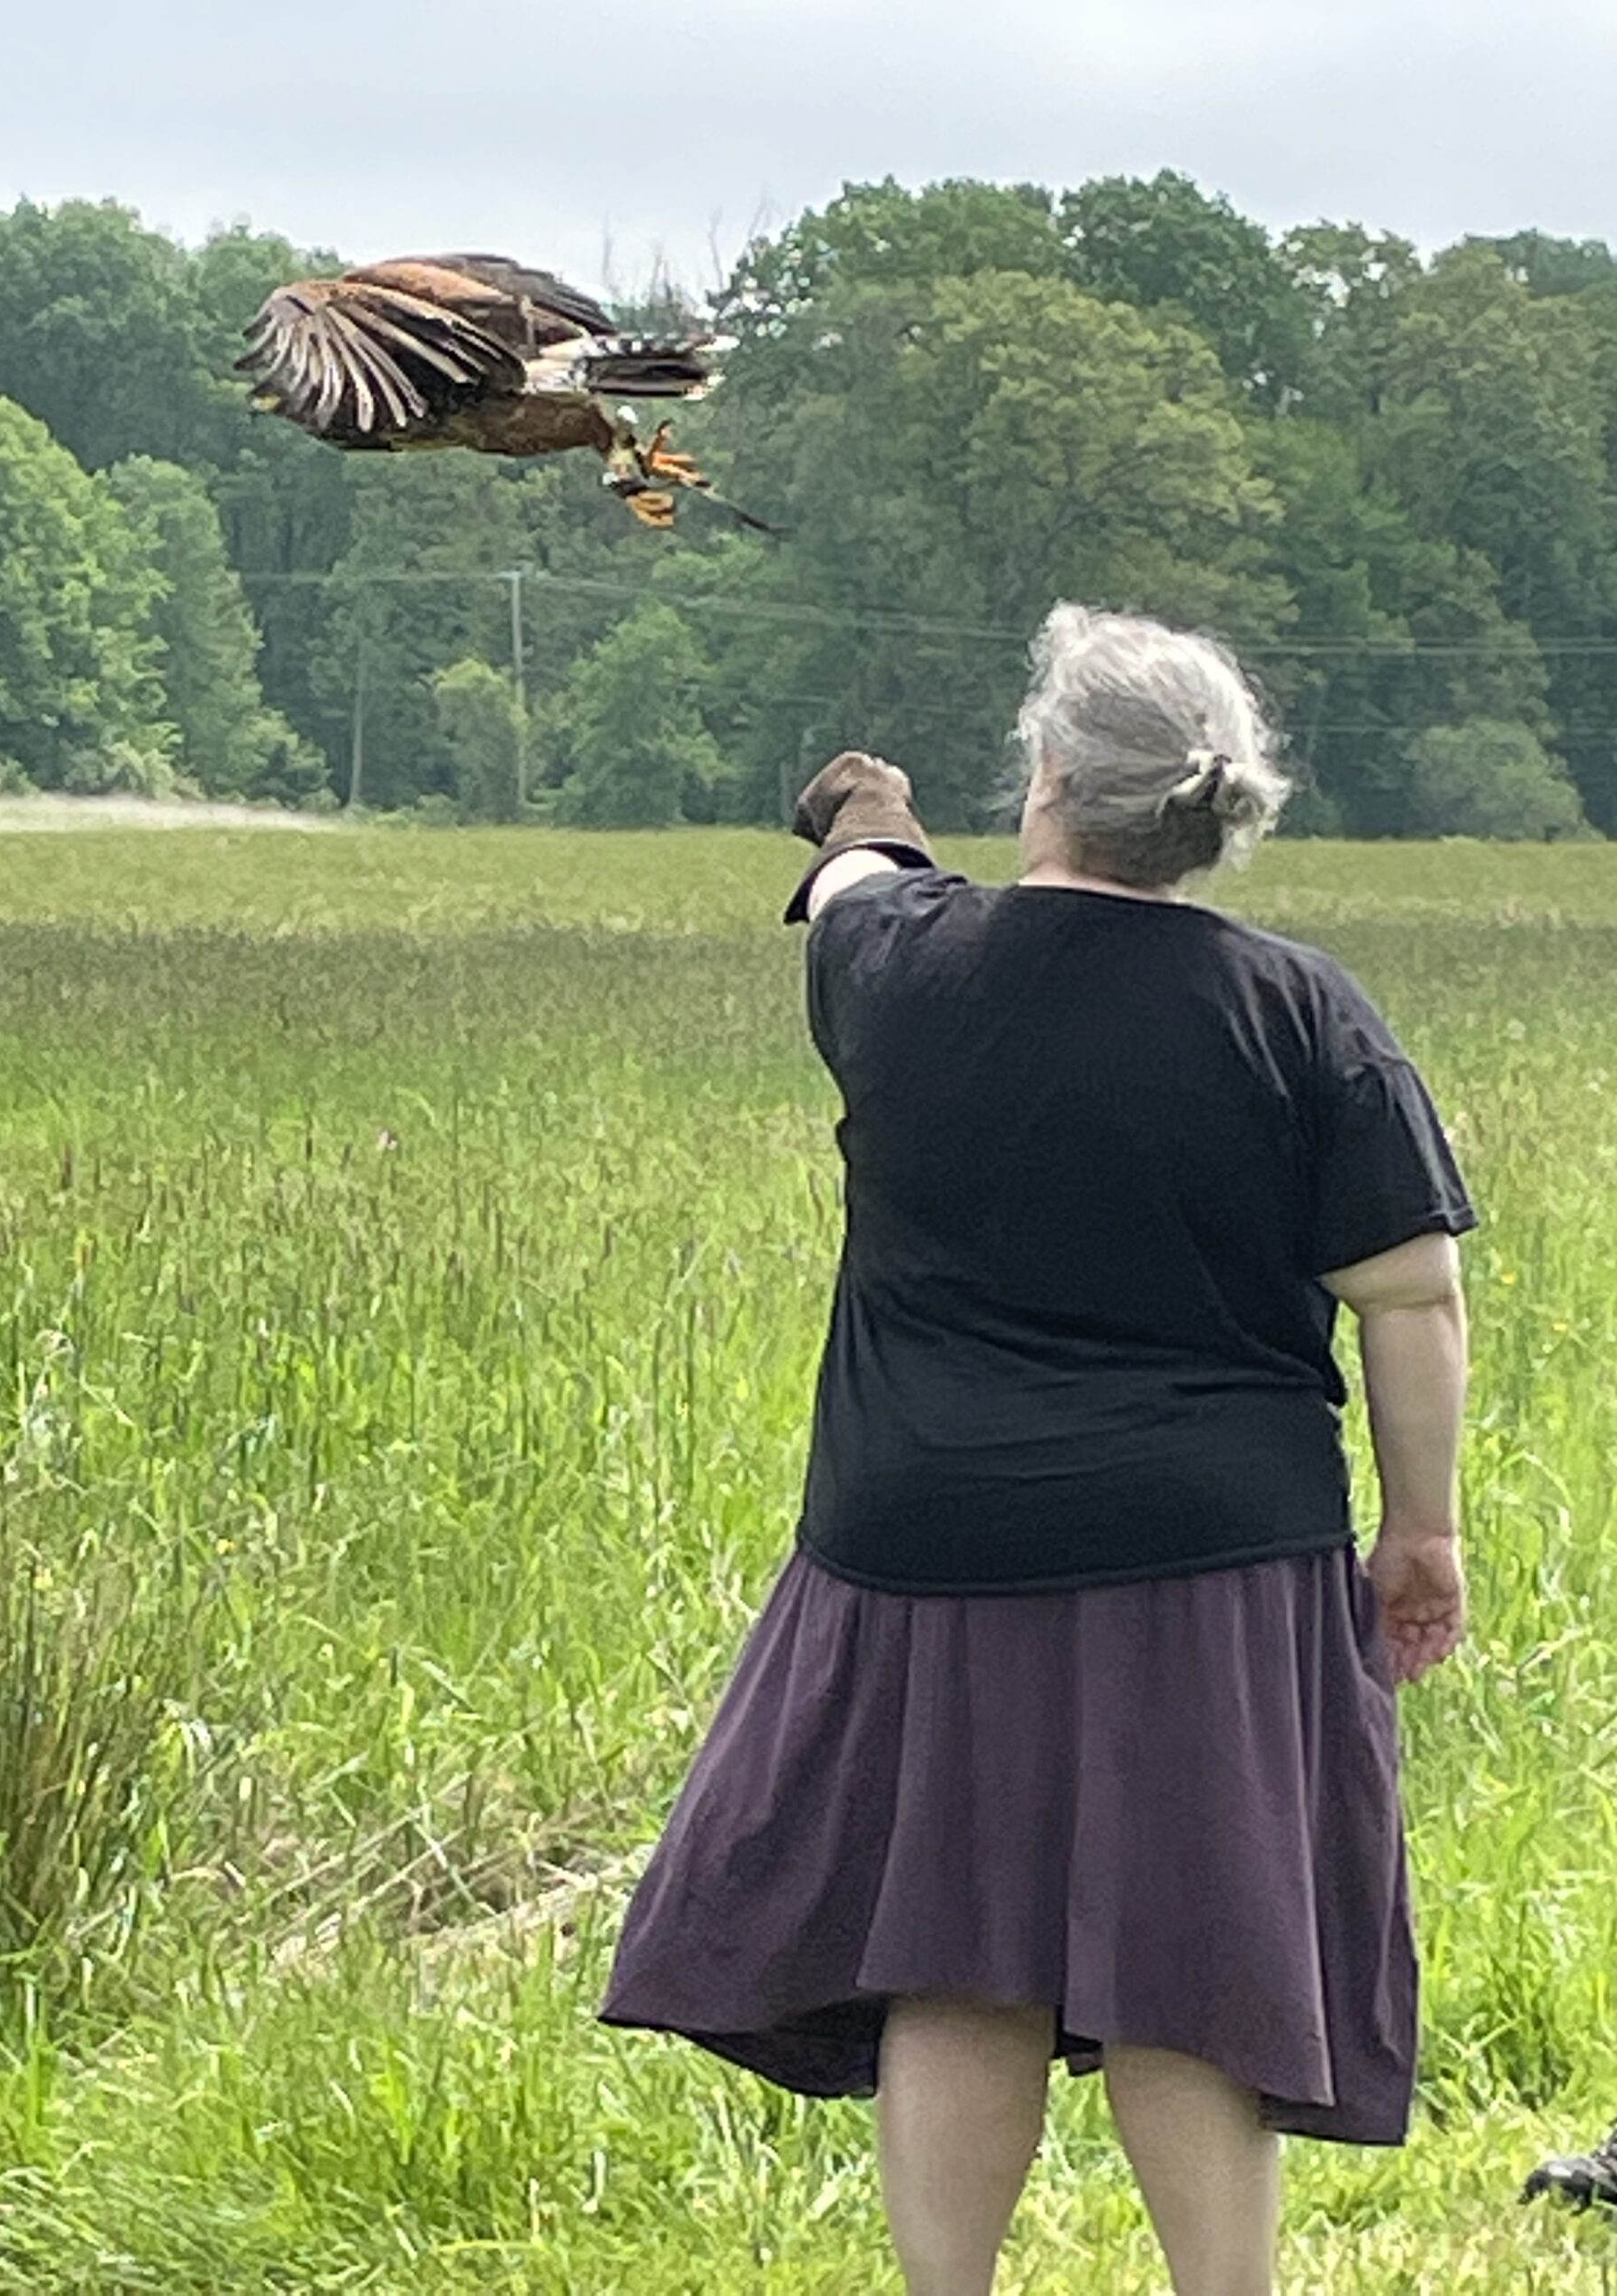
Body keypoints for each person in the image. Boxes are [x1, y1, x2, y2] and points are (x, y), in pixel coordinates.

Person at [601, 602, 1474, 2296]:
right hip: (1215, 1557)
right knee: (1193, 1964)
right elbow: (1412, 1298)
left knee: (958, 1960)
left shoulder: (904, 966)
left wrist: (870, 809)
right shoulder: (1300, 1011)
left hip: (929, 1550)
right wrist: (1420, 1533)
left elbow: (860, 877)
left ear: (1053, 775)